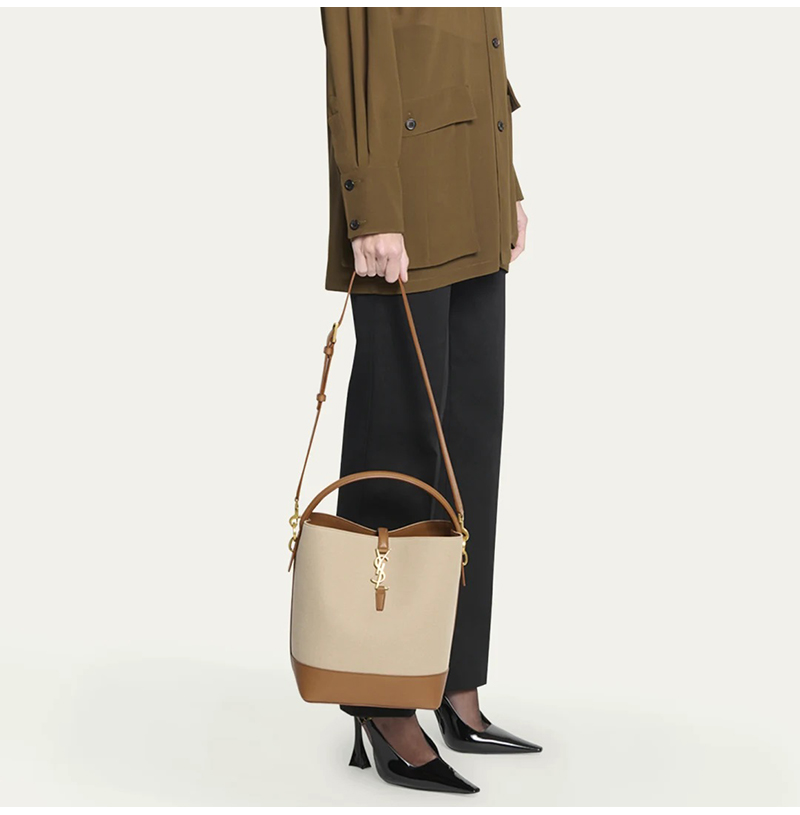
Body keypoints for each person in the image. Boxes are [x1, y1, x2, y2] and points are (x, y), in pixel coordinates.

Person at [320, 8, 542, 793]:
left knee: (469, 443)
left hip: (472, 189)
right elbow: (354, 53)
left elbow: (476, 42)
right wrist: (371, 206)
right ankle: (381, 698)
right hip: (403, 206)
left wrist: (505, 182)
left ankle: (453, 676)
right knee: (400, 444)